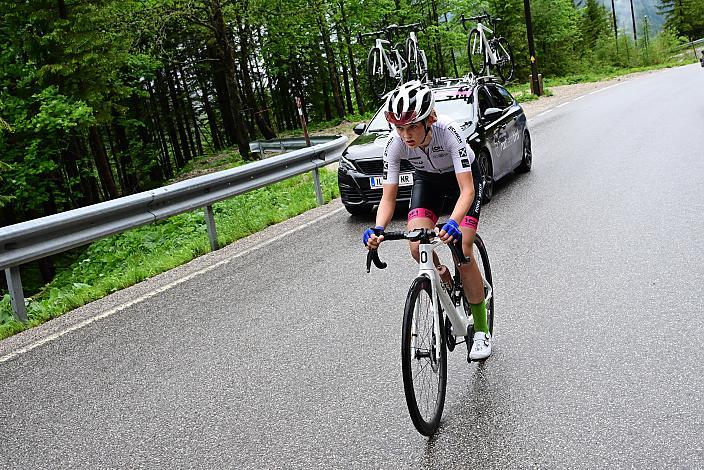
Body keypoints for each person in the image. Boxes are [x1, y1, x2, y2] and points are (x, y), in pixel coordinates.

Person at [362, 80, 491, 360]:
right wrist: (378, 228)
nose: (405, 135)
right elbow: (388, 197)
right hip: (428, 182)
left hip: (463, 183)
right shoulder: (394, 145)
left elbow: (467, 190)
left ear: (429, 120)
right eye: (399, 128)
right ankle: (442, 275)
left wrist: (454, 223)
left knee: (464, 247)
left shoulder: (448, 133)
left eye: (411, 127)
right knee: (415, 244)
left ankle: (480, 329)